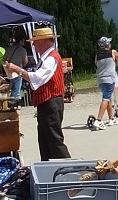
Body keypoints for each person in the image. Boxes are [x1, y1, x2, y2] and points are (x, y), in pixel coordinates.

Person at [5, 26, 72, 158]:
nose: (34, 45)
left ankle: (69, 168)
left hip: (51, 102)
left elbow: (37, 78)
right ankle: (48, 168)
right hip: (47, 102)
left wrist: (18, 70)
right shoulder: (46, 57)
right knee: (45, 139)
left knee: (54, 140)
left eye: (35, 41)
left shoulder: (51, 58)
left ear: (43, 41)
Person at [92, 36, 118, 130]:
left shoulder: (97, 55)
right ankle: (99, 120)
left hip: (101, 79)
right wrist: (116, 64)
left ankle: (111, 119)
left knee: (108, 97)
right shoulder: (112, 52)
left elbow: (96, 64)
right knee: (106, 98)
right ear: (107, 45)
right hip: (109, 79)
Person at [3, 27, 31, 103]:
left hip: (9, 72)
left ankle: (12, 100)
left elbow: (4, 59)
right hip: (18, 71)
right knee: (17, 88)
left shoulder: (9, 49)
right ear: (21, 41)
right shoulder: (23, 50)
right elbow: (25, 62)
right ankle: (14, 102)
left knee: (13, 87)